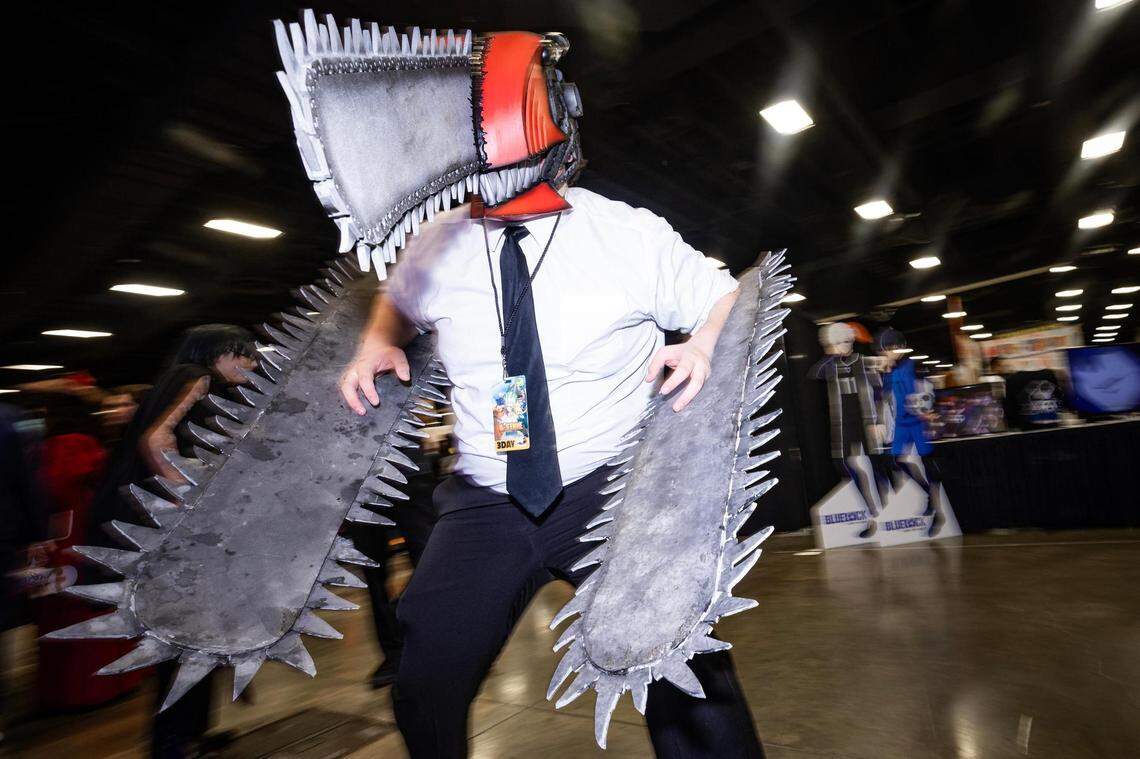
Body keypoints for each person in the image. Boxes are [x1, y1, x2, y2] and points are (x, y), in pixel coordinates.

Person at [341, 181, 760, 753]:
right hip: (484, 498)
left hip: (611, 492)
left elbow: (727, 297)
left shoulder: (625, 231)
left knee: (679, 666)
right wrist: (376, 341)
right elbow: (398, 299)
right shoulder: (436, 240)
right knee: (426, 676)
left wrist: (704, 344)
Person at [88, 324, 258, 759]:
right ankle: (172, 741)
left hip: (163, 530)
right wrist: (193, 496)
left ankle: (192, 732)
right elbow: (156, 441)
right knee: (186, 635)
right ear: (217, 353)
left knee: (198, 633)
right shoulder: (194, 376)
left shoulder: (191, 381)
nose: (251, 363)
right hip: (169, 531)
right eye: (243, 354)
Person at [810, 322, 885, 538]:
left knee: (876, 462)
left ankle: (885, 508)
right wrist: (830, 352)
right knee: (842, 462)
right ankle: (871, 511)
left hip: (865, 420)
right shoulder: (830, 365)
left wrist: (879, 421)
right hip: (843, 422)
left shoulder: (863, 362)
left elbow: (879, 390)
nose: (836, 347)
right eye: (833, 343)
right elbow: (815, 372)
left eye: (839, 342)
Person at [875, 328, 943, 537]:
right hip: (902, 422)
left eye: (897, 347)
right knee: (896, 461)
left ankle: (938, 512)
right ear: (884, 350)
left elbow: (931, 387)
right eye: (889, 348)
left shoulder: (913, 364)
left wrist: (932, 410)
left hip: (919, 421)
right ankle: (928, 495)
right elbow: (882, 396)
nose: (894, 351)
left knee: (928, 461)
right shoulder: (886, 371)